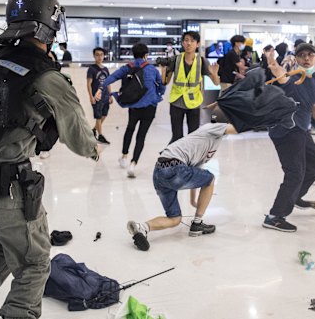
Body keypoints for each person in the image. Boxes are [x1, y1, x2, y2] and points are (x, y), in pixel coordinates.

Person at [0, 0, 100, 318]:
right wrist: (94, 149)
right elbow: (80, 140)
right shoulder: (49, 76)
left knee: (3, 242)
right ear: (51, 25)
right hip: (7, 187)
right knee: (34, 263)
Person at [262, 43, 315, 232]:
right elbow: (280, 74)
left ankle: (294, 197)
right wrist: (273, 63)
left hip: (301, 130)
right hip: (286, 131)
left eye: (310, 55)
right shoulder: (292, 76)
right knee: (295, 172)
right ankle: (275, 216)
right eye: (302, 55)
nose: (307, 58)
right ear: (296, 59)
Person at [127, 122, 237, 251]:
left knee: (175, 219)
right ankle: (197, 223)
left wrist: (193, 201)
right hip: (175, 167)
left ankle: (142, 228)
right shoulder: (212, 127)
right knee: (210, 178)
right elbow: (236, 128)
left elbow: (196, 174)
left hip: (159, 172)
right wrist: (260, 116)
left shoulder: (205, 143)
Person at [95, 43, 165, 178]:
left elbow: (112, 77)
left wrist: (100, 88)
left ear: (133, 55)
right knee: (141, 135)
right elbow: (162, 88)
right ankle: (133, 163)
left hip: (134, 106)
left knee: (130, 129)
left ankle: (124, 156)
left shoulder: (128, 68)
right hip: (150, 107)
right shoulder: (152, 69)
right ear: (146, 55)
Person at [164, 31, 220, 144]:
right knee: (176, 136)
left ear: (197, 44)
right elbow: (165, 82)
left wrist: (214, 74)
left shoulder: (202, 61)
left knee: (193, 135)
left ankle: (191, 159)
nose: (189, 43)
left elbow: (215, 83)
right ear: (183, 43)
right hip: (176, 101)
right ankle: (176, 159)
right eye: (186, 40)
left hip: (194, 102)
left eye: (192, 41)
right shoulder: (175, 59)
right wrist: (163, 71)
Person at [87, 47, 113, 144]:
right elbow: (89, 84)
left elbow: (108, 82)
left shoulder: (105, 69)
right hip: (96, 97)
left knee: (104, 115)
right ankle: (100, 136)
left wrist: (110, 95)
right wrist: (91, 97)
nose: (99, 56)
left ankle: (93, 130)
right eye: (97, 54)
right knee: (98, 117)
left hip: (106, 96)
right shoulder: (91, 69)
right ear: (94, 56)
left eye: (101, 54)